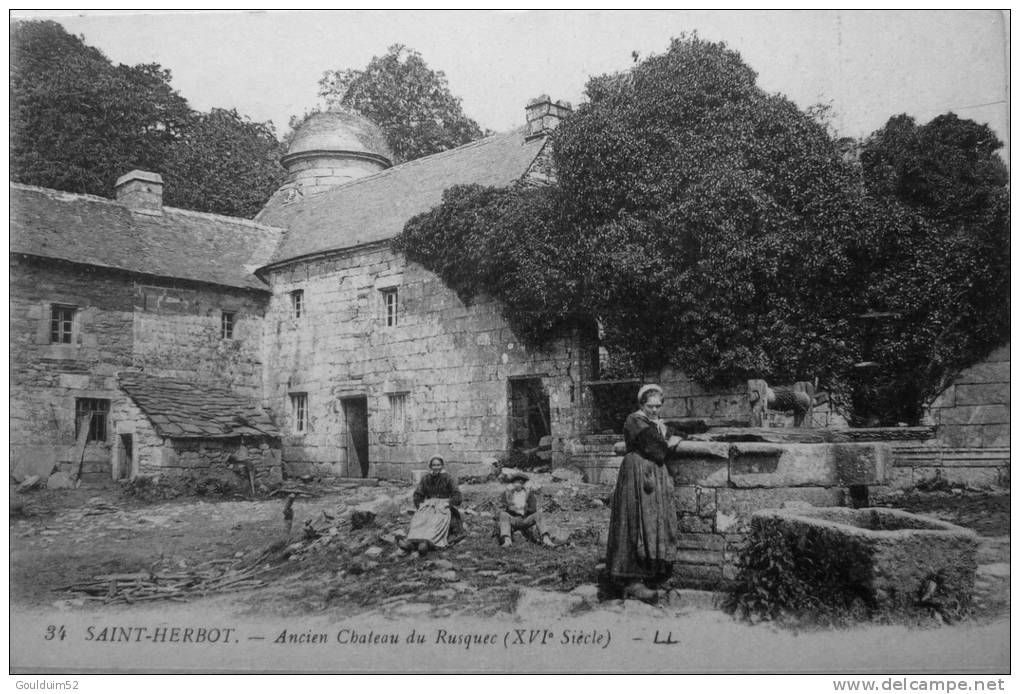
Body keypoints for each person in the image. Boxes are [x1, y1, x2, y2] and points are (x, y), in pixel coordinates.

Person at [605, 384, 681, 603]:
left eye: (658, 406)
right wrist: (667, 438)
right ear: (641, 404)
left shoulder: (653, 422)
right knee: (634, 521)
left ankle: (651, 576)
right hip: (636, 473)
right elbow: (658, 450)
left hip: (651, 474)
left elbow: (669, 436)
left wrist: (669, 433)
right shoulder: (634, 420)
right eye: (650, 406)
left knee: (652, 521)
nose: (655, 410)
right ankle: (630, 581)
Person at [398, 455, 463, 557]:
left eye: (438, 465)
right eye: (434, 465)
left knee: (435, 521)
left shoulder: (448, 478)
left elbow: (457, 495)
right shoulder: (426, 478)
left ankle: (426, 543)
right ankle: (411, 542)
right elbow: (418, 494)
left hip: (443, 507)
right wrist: (420, 505)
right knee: (419, 519)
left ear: (442, 465)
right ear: (430, 466)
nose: (436, 467)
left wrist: (447, 503)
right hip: (428, 506)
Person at [497, 472, 555, 548]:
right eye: (516, 482)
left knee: (539, 514)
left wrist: (524, 508)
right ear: (512, 483)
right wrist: (510, 502)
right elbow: (502, 506)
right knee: (503, 514)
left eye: (521, 482)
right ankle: (507, 540)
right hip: (514, 519)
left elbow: (533, 508)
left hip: (526, 519)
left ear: (523, 484)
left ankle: (546, 540)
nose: (518, 484)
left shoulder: (528, 494)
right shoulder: (508, 493)